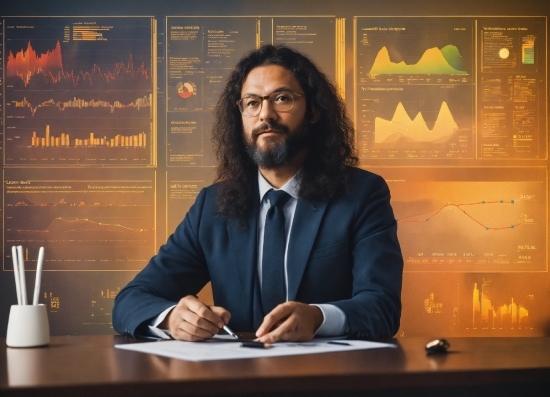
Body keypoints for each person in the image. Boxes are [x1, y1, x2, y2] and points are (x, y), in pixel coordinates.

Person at [112, 44, 403, 343]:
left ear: (314, 110)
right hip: (238, 382)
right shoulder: (212, 206)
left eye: (282, 98)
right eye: (252, 103)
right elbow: (130, 301)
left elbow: (382, 308)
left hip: (326, 380)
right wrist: (172, 318)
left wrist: (318, 317)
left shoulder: (362, 195)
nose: (266, 114)